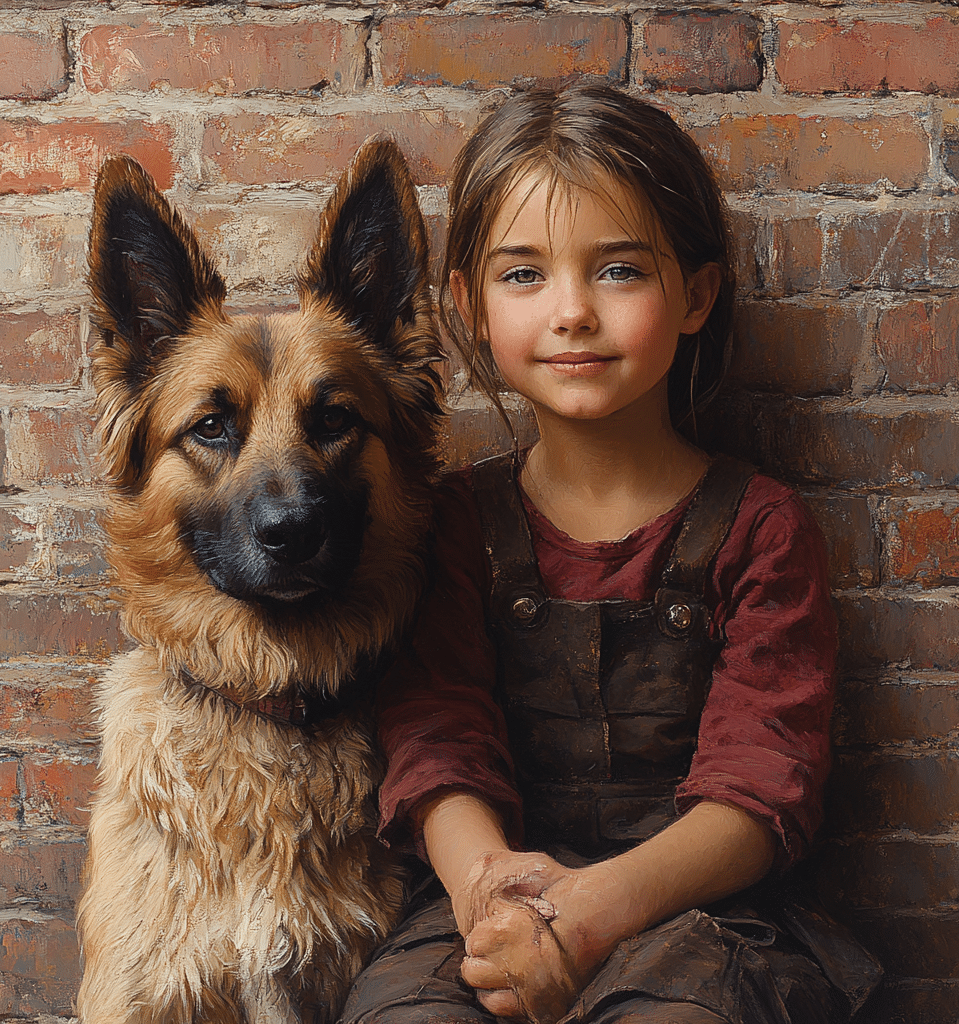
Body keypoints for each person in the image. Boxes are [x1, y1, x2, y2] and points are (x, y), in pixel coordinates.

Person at [340, 84, 881, 1024]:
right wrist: (491, 902)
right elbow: (436, 737)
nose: (573, 311)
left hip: (704, 920)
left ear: (695, 294)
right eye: (523, 275)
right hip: (489, 898)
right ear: (466, 306)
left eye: (620, 270)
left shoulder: (760, 527)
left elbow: (762, 787)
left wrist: (594, 916)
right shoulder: (456, 522)